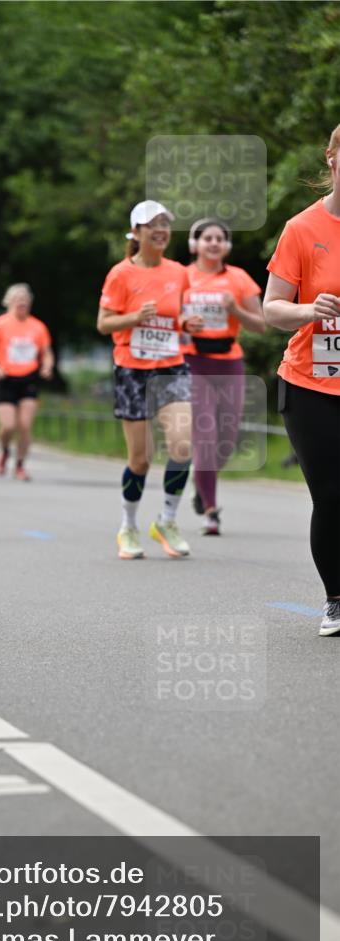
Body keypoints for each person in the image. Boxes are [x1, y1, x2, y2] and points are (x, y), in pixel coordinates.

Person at [263, 124, 340, 637]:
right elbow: (270, 309)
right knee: (332, 495)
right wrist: (309, 308)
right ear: (332, 157)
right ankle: (336, 599)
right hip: (312, 383)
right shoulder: (301, 228)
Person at [97, 200, 204, 559]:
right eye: (152, 224)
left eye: (164, 223)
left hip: (171, 367)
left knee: (183, 445)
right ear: (137, 232)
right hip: (132, 369)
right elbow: (104, 323)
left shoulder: (179, 272)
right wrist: (132, 317)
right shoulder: (121, 274)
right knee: (141, 459)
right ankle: (128, 526)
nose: (160, 229)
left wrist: (187, 324)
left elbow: (178, 317)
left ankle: (167, 520)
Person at [183, 219, 265, 534]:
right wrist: (183, 322)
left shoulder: (239, 279)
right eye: (207, 238)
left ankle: (201, 479)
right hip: (194, 362)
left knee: (226, 441)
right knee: (205, 435)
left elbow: (260, 325)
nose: (214, 243)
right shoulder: (182, 277)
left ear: (227, 246)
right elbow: (166, 317)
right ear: (195, 245)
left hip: (229, 363)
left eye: (220, 238)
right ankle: (210, 510)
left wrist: (237, 311)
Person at [0, 283, 54, 480]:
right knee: (8, 425)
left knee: (25, 426)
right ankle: (4, 450)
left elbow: (46, 353)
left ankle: (20, 465)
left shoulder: (38, 327)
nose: (22, 303)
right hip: (5, 379)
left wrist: (47, 366)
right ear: (9, 302)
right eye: (17, 299)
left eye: (25, 299)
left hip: (28, 378)